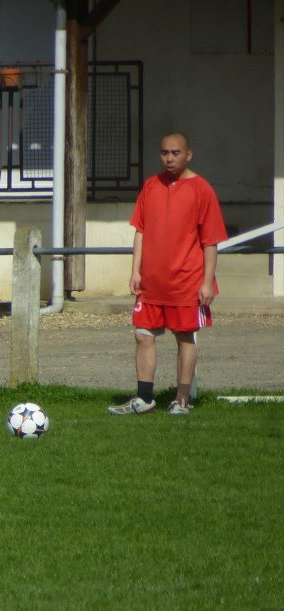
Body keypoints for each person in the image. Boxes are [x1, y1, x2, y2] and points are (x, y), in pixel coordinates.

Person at [108, 132, 226, 416]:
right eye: (164, 153)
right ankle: (145, 399)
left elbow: (210, 241)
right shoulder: (151, 186)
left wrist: (207, 282)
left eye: (175, 153)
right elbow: (141, 231)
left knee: (185, 337)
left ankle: (181, 399)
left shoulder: (202, 190)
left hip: (186, 282)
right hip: (152, 283)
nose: (169, 158)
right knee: (143, 334)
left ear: (188, 155)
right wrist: (135, 270)